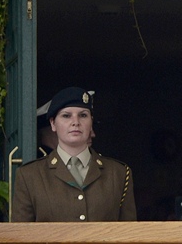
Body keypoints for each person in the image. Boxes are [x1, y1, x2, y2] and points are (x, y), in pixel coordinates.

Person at [12, 87, 137, 221]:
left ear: (91, 122)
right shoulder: (29, 175)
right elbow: (21, 235)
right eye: (66, 116)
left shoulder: (118, 173)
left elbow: (129, 234)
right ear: (53, 123)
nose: (75, 122)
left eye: (83, 115)